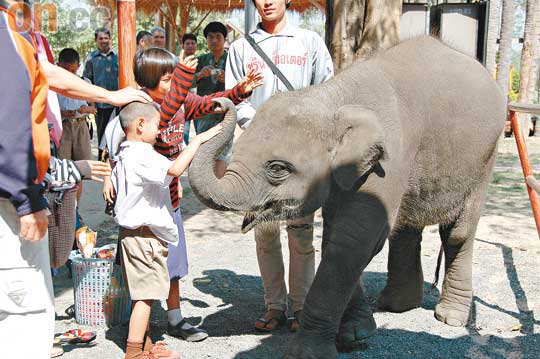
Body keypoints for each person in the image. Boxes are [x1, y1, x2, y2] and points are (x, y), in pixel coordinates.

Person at [102, 47, 262, 342]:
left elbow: (206, 103)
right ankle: (141, 334)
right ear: (148, 82)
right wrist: (186, 77)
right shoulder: (143, 109)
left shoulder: (181, 99)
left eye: (174, 78)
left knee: (173, 265)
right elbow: (148, 128)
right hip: (145, 209)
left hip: (170, 202)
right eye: (168, 79)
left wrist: (238, 92)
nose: (173, 84)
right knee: (145, 272)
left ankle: (175, 319)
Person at [225, 0, 334, 332]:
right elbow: (234, 98)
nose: (267, 1)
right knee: (265, 231)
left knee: (301, 233)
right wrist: (258, 125)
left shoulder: (309, 42)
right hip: (259, 155)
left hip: (300, 154)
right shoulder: (241, 48)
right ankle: (274, 306)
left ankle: (301, 308)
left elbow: (326, 91)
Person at [112, 102, 222, 359]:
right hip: (144, 238)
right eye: (155, 125)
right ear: (140, 125)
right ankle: (134, 353)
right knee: (145, 297)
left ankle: (146, 346)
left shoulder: (126, 153)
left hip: (135, 236)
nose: (159, 131)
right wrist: (198, 141)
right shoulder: (142, 154)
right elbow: (174, 169)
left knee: (142, 293)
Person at [56, 48, 96, 215]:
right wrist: (63, 113)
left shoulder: (84, 82)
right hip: (63, 128)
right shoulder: (54, 84)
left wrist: (86, 108)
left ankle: (75, 208)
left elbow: (94, 108)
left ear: (78, 67)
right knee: (63, 169)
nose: (70, 74)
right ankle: (63, 207)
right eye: (66, 70)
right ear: (58, 66)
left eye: (73, 70)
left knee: (80, 170)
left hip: (80, 127)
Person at [194, 22, 229, 178]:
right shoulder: (200, 60)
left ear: (224, 39)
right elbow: (187, 83)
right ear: (206, 40)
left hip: (225, 112)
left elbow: (242, 84)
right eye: (210, 37)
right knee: (205, 148)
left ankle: (219, 185)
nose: (214, 40)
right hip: (204, 112)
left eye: (218, 37)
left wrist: (227, 79)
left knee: (223, 150)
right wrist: (199, 75)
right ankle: (206, 184)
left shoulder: (232, 59)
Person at [83, 27, 119, 160]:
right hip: (100, 105)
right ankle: (102, 161)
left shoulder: (118, 56)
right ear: (96, 40)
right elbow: (87, 81)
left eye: (106, 38)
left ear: (110, 39)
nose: (104, 41)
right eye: (101, 39)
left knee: (117, 133)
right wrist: (91, 102)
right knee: (102, 133)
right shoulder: (91, 58)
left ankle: (115, 160)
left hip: (118, 102)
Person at [180, 33, 198, 145]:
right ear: (183, 45)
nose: (190, 46)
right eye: (187, 43)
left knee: (200, 130)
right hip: (182, 103)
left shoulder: (201, 61)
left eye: (193, 43)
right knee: (183, 132)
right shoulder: (178, 62)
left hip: (197, 101)